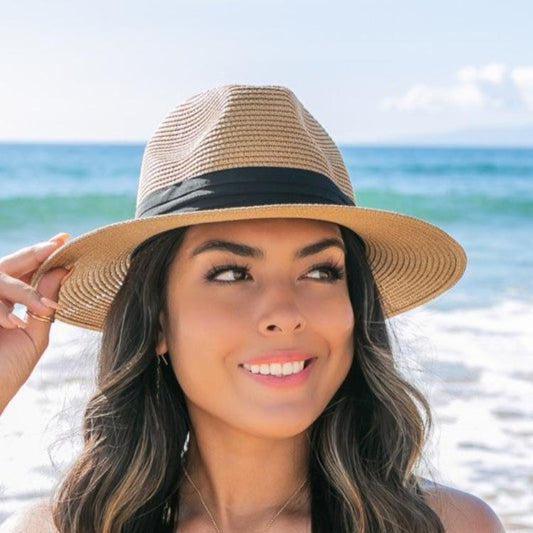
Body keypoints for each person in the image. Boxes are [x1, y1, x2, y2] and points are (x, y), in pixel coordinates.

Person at [0, 84, 505, 532]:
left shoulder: (448, 527)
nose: (285, 313)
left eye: (321, 271)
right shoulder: (61, 528)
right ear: (157, 320)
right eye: (231, 273)